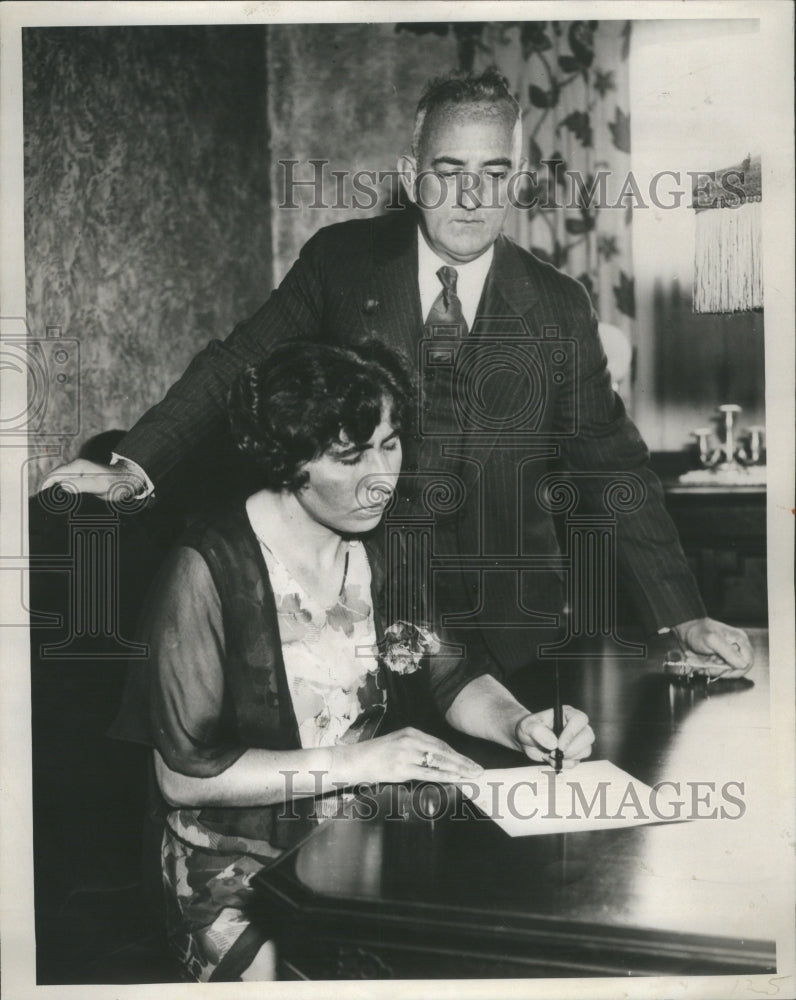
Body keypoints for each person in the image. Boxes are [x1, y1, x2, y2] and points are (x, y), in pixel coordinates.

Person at [44, 68, 753, 678]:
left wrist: (680, 615)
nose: (472, 198)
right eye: (450, 171)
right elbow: (236, 362)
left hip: (510, 629)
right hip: (354, 617)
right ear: (412, 173)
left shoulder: (560, 307)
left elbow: (614, 466)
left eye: (493, 173)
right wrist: (132, 465)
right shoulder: (341, 264)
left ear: (519, 180)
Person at [110, 339, 594, 982]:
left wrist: (519, 723)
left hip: (369, 842)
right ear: (289, 460)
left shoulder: (389, 544)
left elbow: (449, 672)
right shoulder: (207, 570)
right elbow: (182, 778)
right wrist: (354, 762)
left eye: (390, 445)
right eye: (350, 455)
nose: (381, 477)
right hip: (239, 867)